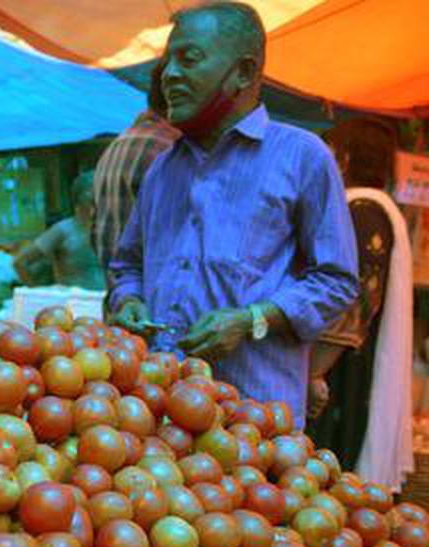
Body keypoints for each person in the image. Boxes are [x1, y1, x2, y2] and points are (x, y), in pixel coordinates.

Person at [109, 2, 358, 423]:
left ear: (243, 72)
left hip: (254, 422)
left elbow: (336, 280)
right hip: (161, 415)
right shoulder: (163, 169)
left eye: (188, 59)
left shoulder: (302, 157)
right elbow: (127, 264)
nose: (169, 75)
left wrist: (252, 320)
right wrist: (129, 298)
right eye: (167, 61)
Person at [307, 118, 414, 489]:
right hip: (342, 361)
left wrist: (317, 371)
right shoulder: (367, 209)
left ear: (345, 159)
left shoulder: (362, 211)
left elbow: (354, 301)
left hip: (341, 368)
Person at [91, 68, 181, 275]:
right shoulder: (170, 147)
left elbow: (96, 232)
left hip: (122, 297)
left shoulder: (117, 144)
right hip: (153, 299)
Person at [13, 170, 104, 290]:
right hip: (71, 304)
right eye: (93, 194)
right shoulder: (63, 230)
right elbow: (20, 262)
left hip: (103, 303)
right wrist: (38, 292)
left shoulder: (108, 229)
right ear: (80, 197)